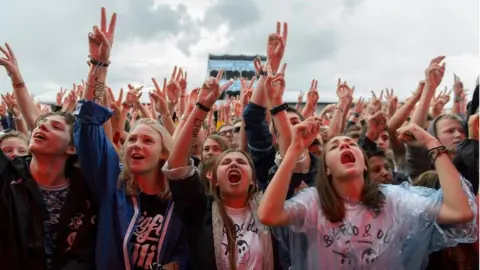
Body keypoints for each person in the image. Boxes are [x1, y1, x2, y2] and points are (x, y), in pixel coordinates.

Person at [258, 118, 477, 269]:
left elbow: (460, 212)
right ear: (326, 168)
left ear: (363, 163)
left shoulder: (394, 200)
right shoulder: (313, 202)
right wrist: (294, 150)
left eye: (351, 144)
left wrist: (431, 142)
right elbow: (268, 215)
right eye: (335, 147)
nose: (345, 147)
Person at [74, 7, 188, 270]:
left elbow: (188, 247)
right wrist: (98, 66)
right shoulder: (112, 184)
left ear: (163, 152)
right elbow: (87, 125)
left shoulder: (179, 197)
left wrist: (176, 265)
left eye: (148, 141)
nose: (136, 144)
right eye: (132, 139)